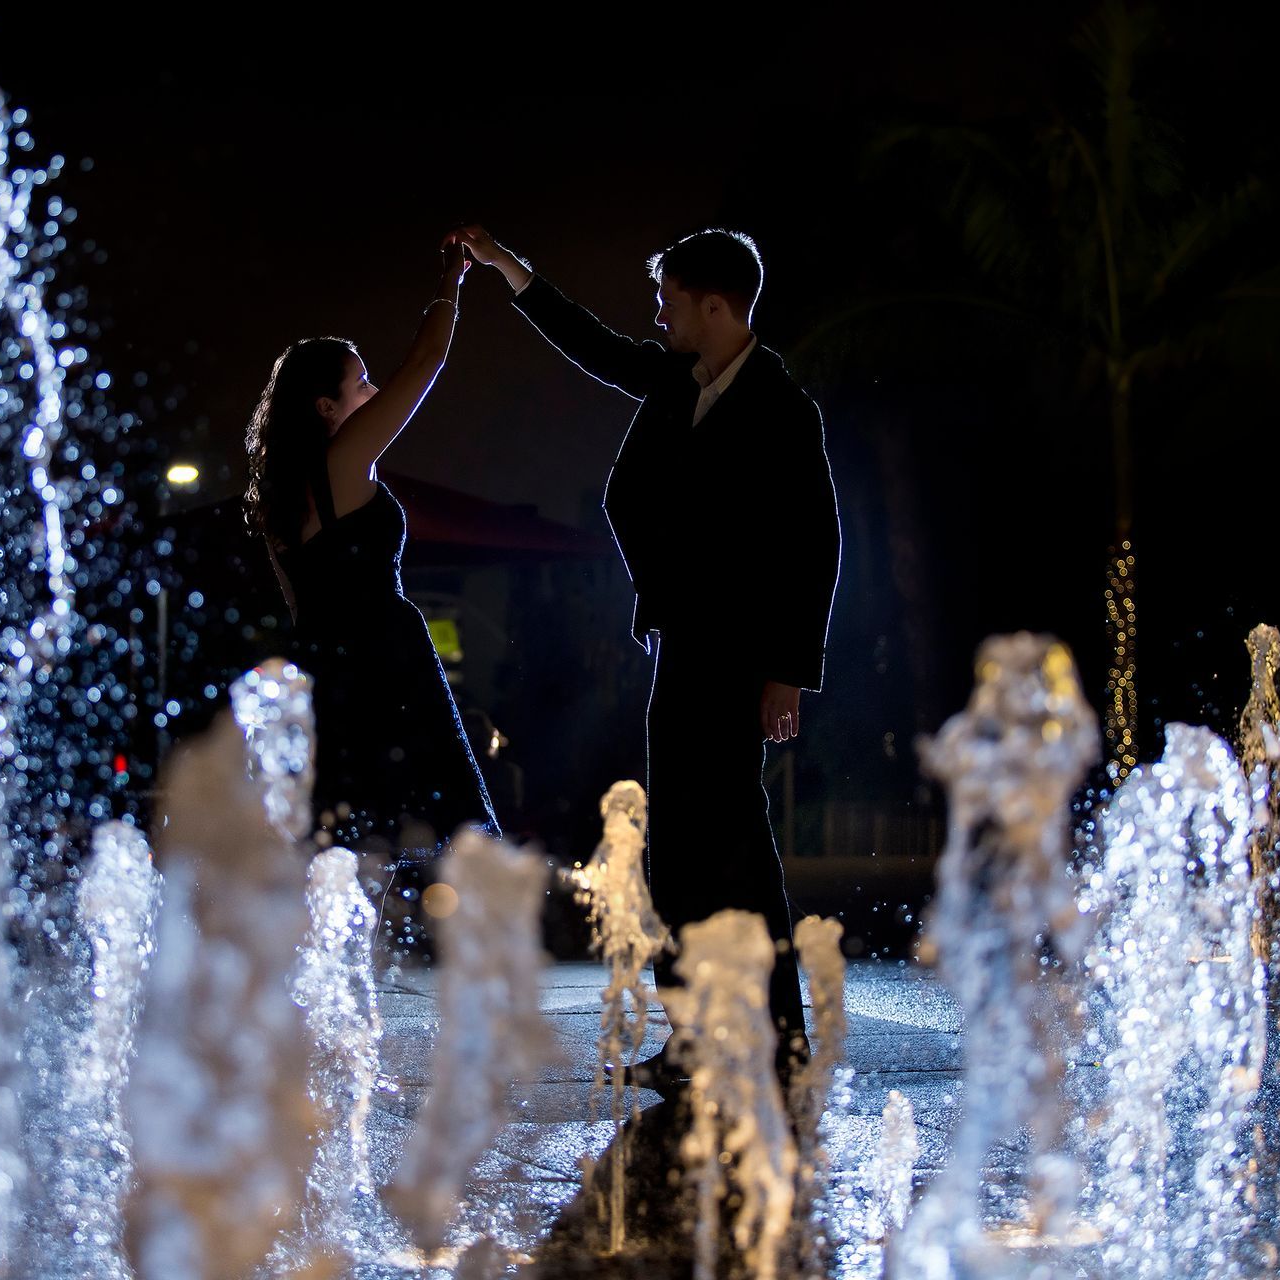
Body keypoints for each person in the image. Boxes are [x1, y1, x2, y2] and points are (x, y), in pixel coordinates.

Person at [453, 224, 841, 1087]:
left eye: (670, 298)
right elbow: (592, 345)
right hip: (682, 640)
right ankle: (698, 1033)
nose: (657, 311)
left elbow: (815, 544)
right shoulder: (678, 378)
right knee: (682, 851)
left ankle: (774, 1038)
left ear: (714, 304)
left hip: (738, 654)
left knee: (733, 844)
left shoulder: (781, 407)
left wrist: (789, 670)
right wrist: (515, 270)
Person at [242, 241, 498, 934]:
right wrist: (449, 281)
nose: (374, 390)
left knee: (352, 843)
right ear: (326, 407)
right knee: (435, 834)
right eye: (360, 384)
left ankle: (335, 998)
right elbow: (427, 364)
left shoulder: (280, 502)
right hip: (387, 665)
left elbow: (300, 609)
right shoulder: (344, 461)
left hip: (328, 672)